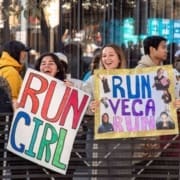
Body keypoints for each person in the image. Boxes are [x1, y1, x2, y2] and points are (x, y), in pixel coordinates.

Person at [82, 43, 131, 179]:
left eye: (111, 55)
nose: (107, 58)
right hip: (97, 137)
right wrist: (90, 108)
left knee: (121, 174)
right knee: (99, 175)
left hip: (122, 137)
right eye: (104, 55)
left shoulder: (130, 80)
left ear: (119, 58)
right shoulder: (92, 81)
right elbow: (83, 104)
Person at [134, 35, 180, 178]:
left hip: (163, 135)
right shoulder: (140, 72)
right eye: (163, 47)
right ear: (152, 50)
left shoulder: (167, 72)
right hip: (148, 138)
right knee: (147, 172)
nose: (166, 51)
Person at [0, 40, 30, 111]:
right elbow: (12, 99)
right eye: (23, 52)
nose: (25, 55)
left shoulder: (6, 67)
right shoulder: (11, 72)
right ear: (15, 53)